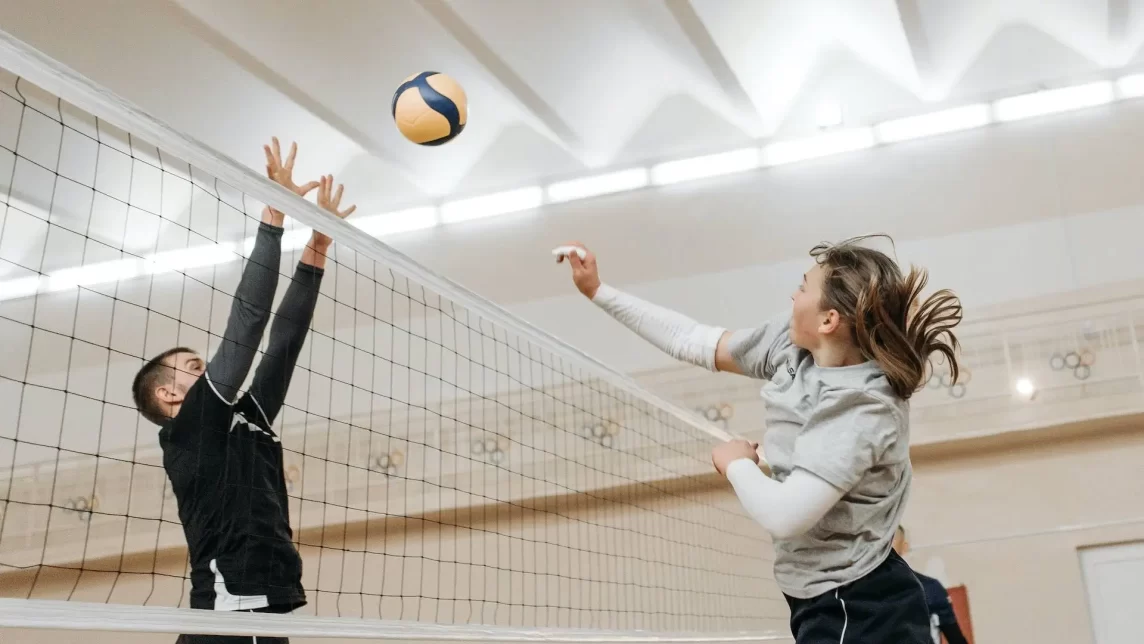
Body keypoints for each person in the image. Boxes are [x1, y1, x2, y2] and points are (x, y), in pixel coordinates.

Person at [558, 236, 962, 643]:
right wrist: (598, 291)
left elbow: (786, 516)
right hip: (831, 597)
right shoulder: (791, 346)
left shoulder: (862, 406)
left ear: (828, 320)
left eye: (803, 287)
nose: (793, 295)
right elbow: (693, 340)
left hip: (858, 605)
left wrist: (737, 463)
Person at [131, 138, 355, 644]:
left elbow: (284, 343)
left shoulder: (247, 419)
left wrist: (318, 247)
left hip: (257, 612)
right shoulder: (190, 430)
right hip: (233, 614)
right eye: (193, 367)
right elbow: (248, 323)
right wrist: (274, 216)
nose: (209, 369)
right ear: (169, 396)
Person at [893, 525, 970, 644]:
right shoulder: (864, 591)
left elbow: (956, 639)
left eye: (889, 543)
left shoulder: (929, 588)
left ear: (904, 547)